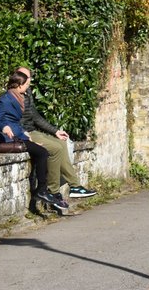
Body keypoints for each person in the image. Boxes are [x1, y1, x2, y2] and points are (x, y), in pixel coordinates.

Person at [16, 67, 97, 200]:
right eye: (25, 79)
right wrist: (25, 135)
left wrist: (55, 131)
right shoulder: (12, 97)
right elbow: (9, 121)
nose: (28, 82)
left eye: (28, 79)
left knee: (62, 142)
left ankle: (75, 186)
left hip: (32, 130)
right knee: (56, 148)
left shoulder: (27, 92)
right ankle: (53, 191)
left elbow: (35, 117)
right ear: (18, 81)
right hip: (24, 133)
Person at [0, 72, 68, 212]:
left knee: (42, 150)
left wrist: (27, 136)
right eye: (26, 85)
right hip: (8, 138)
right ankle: (42, 190)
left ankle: (43, 189)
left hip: (19, 135)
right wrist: (4, 127)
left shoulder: (17, 97)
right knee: (42, 152)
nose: (28, 88)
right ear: (19, 85)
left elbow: (16, 122)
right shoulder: (5, 100)